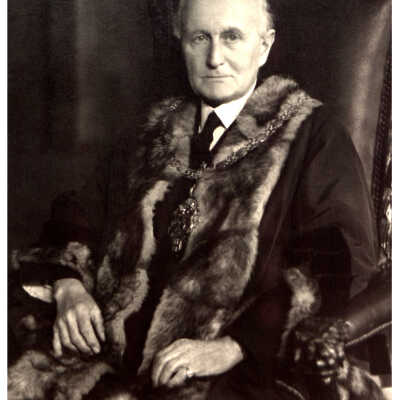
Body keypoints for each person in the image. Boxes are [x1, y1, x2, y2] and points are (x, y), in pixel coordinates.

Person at [8, 0, 385, 399]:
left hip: (245, 370)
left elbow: (337, 261)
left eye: (232, 37)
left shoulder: (314, 136)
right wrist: (69, 285)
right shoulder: (154, 130)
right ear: (181, 41)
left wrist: (234, 346)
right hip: (112, 361)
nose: (214, 58)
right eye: (200, 37)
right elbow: (78, 212)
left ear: (264, 46)